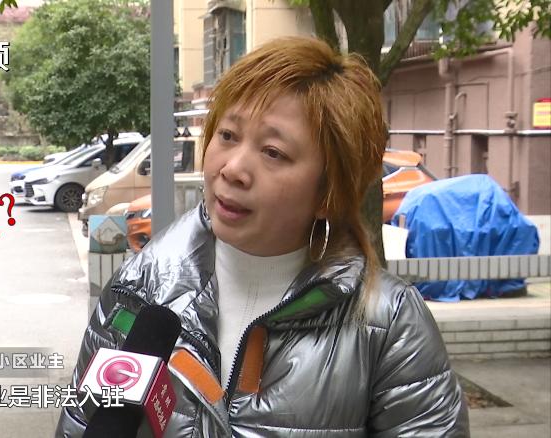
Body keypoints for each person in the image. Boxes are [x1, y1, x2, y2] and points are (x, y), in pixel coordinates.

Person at [56, 36, 469, 437]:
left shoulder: (389, 324)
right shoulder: (137, 291)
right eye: (228, 135)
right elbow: (80, 425)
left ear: (328, 193)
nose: (233, 168)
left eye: (273, 152)